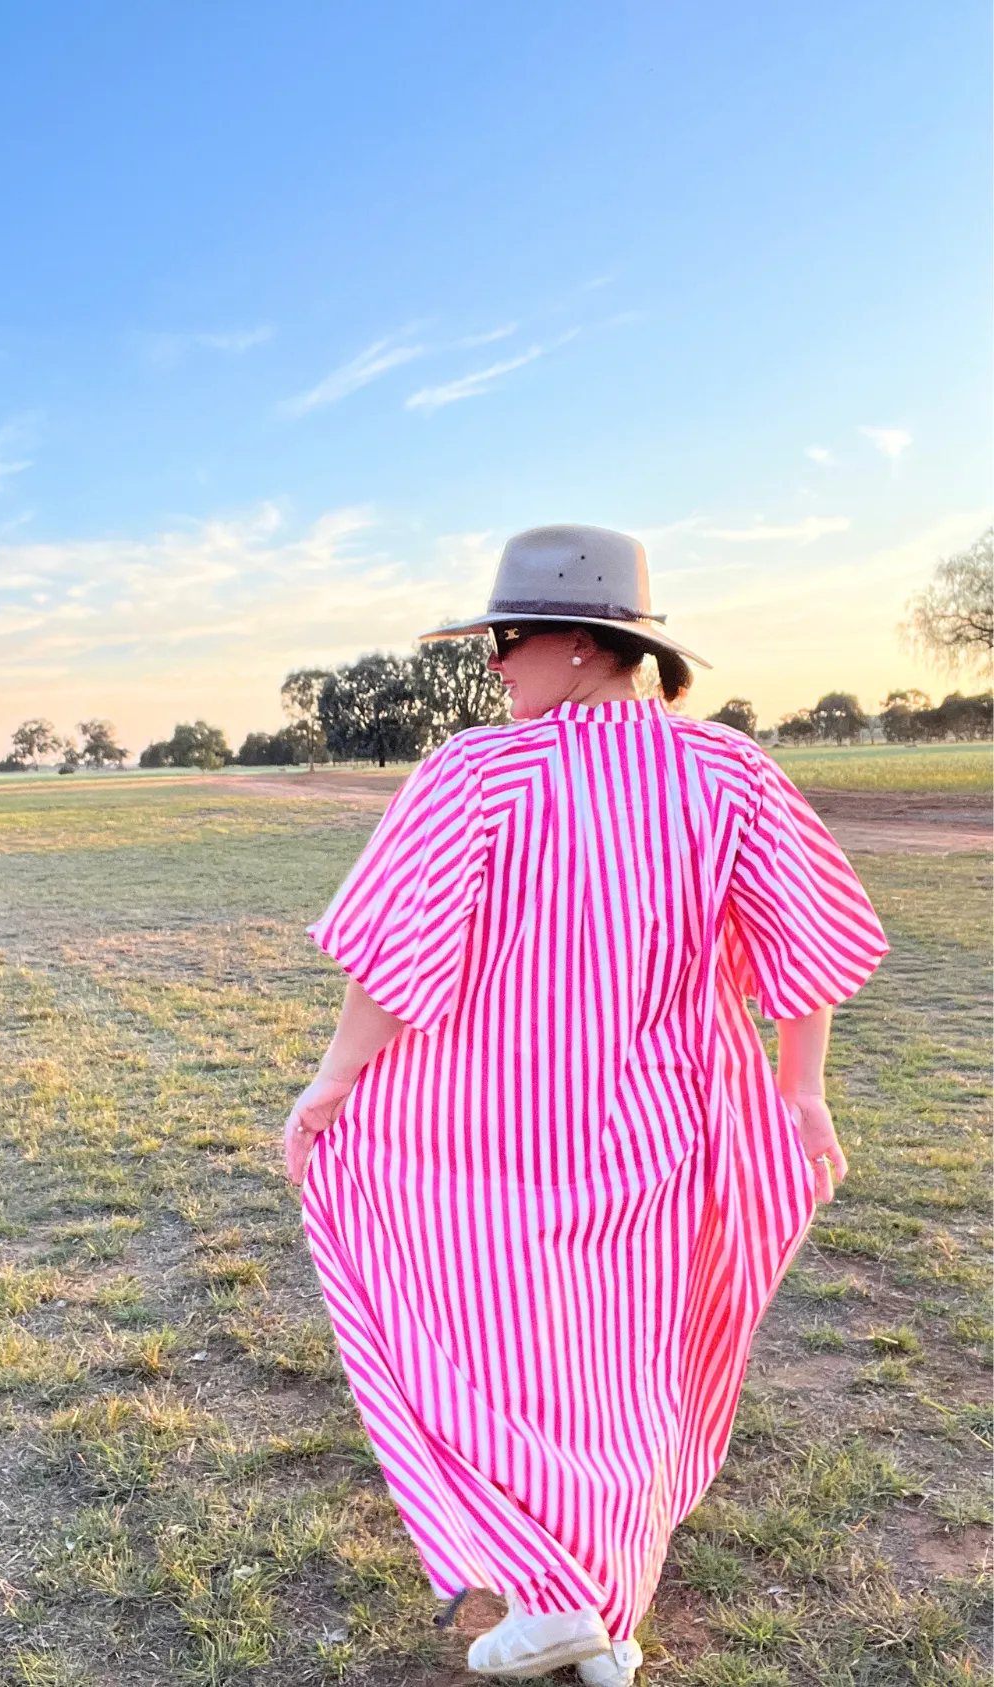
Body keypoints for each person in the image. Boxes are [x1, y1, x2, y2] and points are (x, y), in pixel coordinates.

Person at [285, 525, 888, 1683]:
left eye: (508, 640)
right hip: (664, 1130)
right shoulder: (729, 771)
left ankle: (573, 1599)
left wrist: (333, 1078)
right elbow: (804, 946)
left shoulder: (478, 771)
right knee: (620, 1368)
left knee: (490, 1354)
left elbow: (393, 958)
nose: (496, 667)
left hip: (484, 1137)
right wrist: (800, 1092)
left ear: (579, 641)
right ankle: (599, 1611)